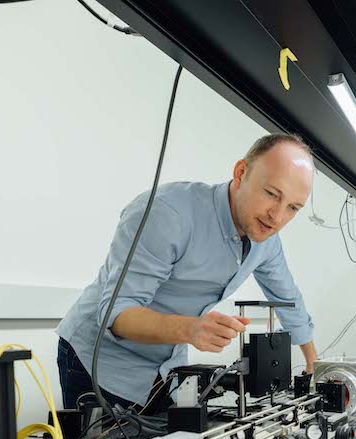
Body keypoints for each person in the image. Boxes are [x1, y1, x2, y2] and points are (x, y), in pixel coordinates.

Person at [56, 133, 318, 414]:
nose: (277, 217)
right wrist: (191, 329)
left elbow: (288, 298)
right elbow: (116, 313)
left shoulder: (266, 240)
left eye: (293, 207)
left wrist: (315, 367)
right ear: (241, 172)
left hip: (166, 369)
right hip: (101, 363)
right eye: (272, 194)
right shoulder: (168, 213)